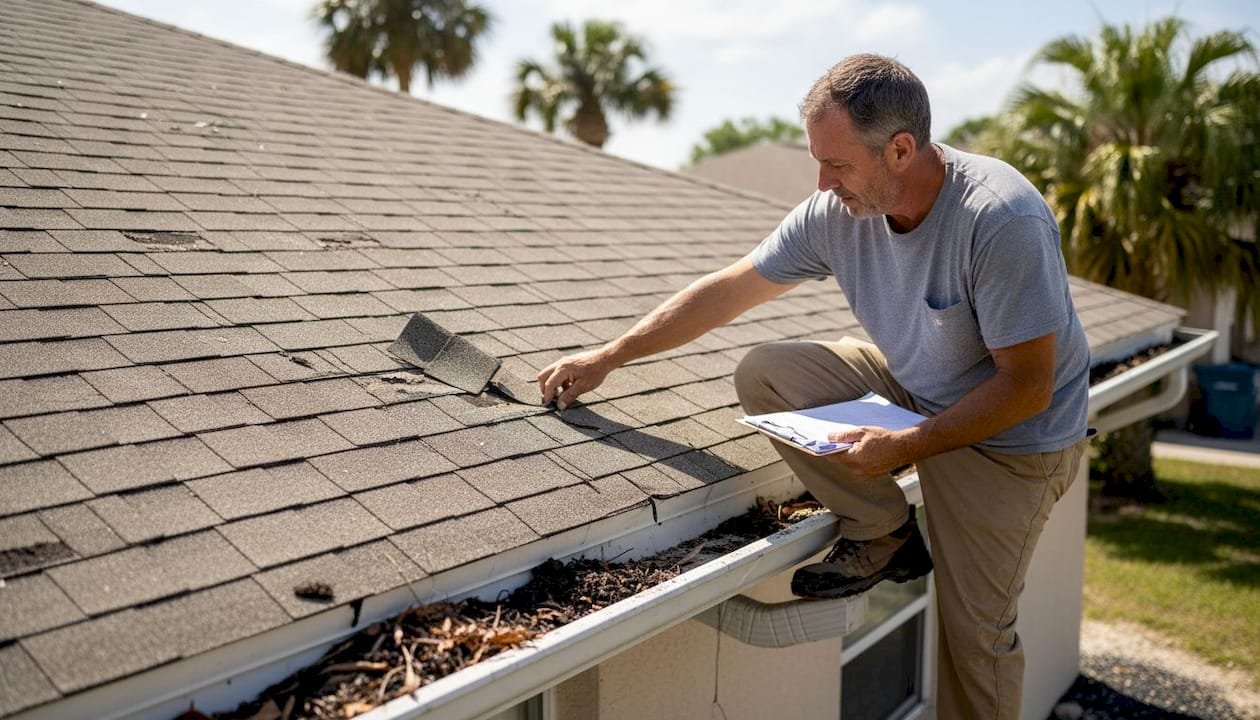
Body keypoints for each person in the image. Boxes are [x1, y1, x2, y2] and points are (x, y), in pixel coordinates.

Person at [537, 54, 1091, 719]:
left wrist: (902, 445)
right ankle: (884, 530)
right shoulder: (836, 212)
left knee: (976, 635)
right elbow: (728, 292)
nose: (822, 183)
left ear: (901, 150)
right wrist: (611, 356)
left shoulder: (1000, 220)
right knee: (767, 371)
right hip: (924, 383)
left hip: (1013, 440)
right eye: (815, 161)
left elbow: (1025, 388)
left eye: (837, 164)